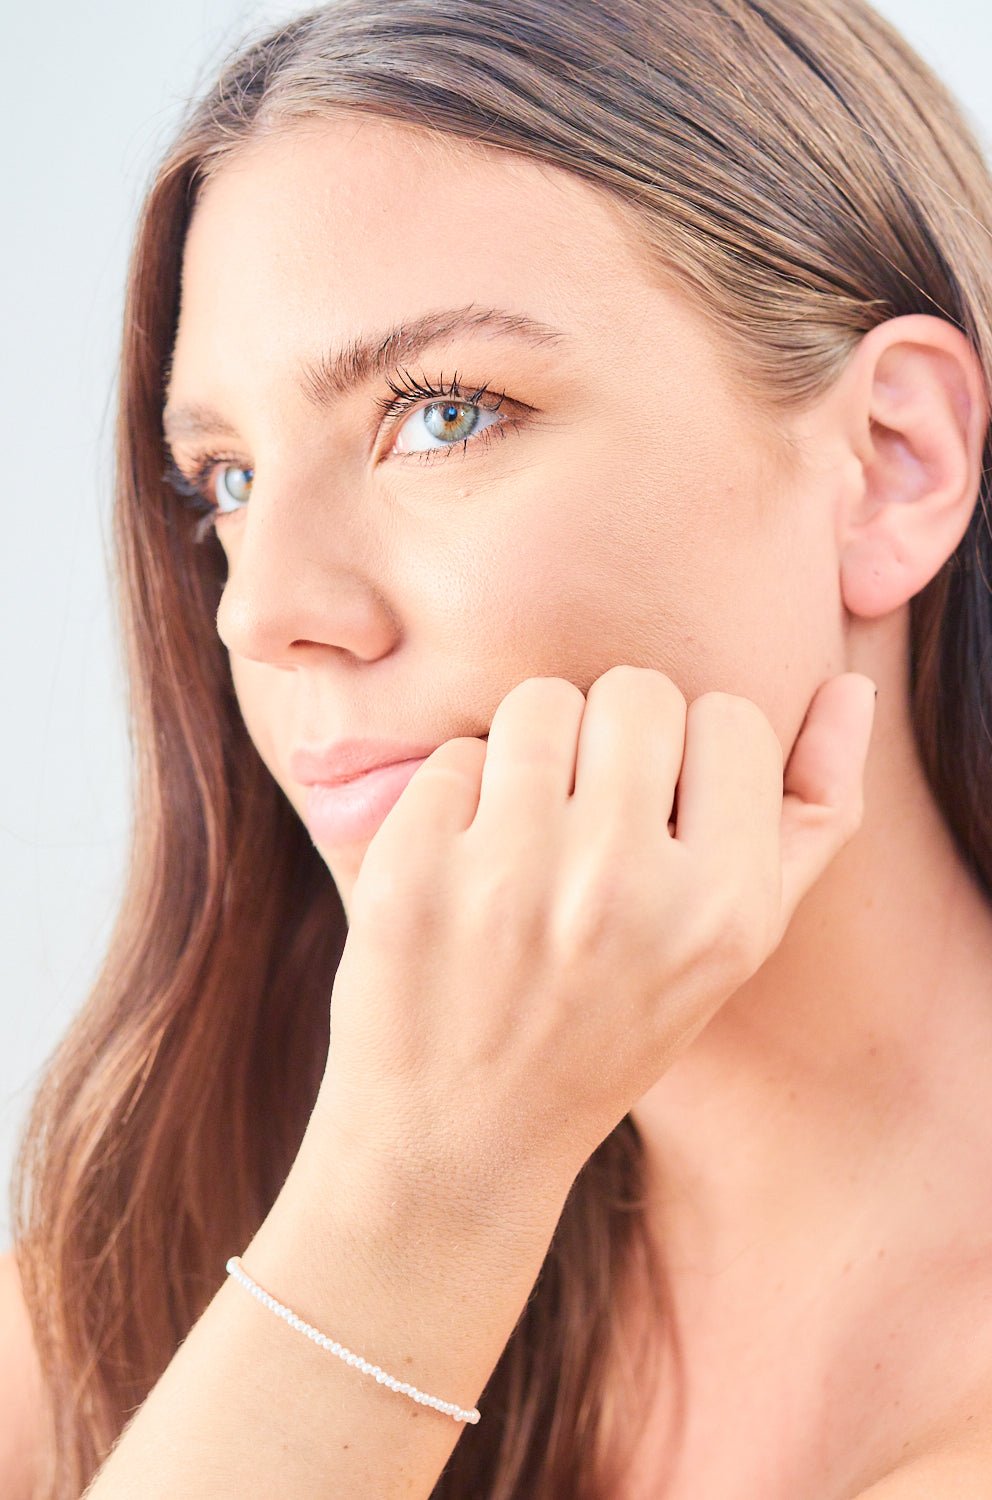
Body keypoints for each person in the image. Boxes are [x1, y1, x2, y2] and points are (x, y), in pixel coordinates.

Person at [4, 0, 992, 1495]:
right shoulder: (144, 1277)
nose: (264, 612)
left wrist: (409, 1217)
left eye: (444, 413)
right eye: (229, 480)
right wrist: (406, 1199)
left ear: (891, 466)